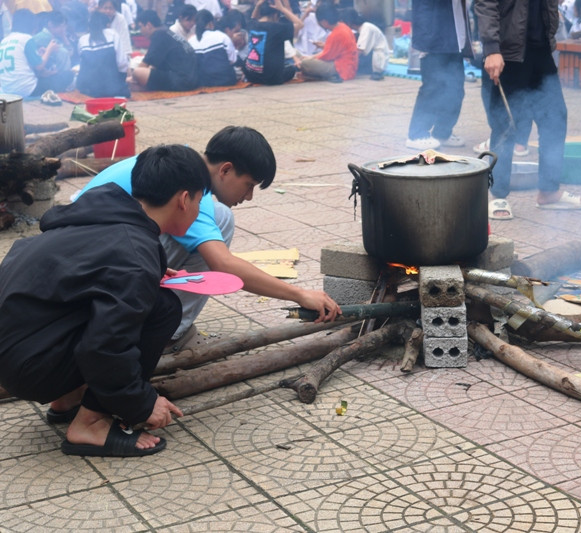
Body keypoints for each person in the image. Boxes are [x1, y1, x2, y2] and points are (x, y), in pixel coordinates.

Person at [0, 144, 211, 457]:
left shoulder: (101, 216)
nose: (198, 210)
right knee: (163, 308)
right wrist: (141, 403)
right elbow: (106, 347)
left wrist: (146, 272)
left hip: (16, 352)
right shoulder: (133, 253)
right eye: (199, 201)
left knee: (139, 301)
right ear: (184, 199)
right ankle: (91, 423)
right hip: (31, 368)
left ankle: (67, 400)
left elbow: (86, 280)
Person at [80, 126, 341, 353]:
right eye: (249, 185)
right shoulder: (190, 189)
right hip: (93, 273)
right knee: (216, 229)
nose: (249, 196)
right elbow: (223, 265)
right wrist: (299, 294)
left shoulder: (180, 161)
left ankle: (160, 323)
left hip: (84, 251)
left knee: (221, 216)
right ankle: (167, 336)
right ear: (225, 169)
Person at [475, 0, 581, 219]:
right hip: (508, 52)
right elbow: (485, 4)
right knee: (505, 124)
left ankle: (549, 191)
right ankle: (498, 194)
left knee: (555, 118)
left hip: (541, 50)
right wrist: (491, 48)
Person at [404, 0, 470, 150]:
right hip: (433, 31)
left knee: (456, 89)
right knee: (433, 88)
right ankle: (417, 134)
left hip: (454, 34)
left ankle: (443, 132)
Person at [130, 9, 199, 91]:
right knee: (137, 77)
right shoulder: (165, 32)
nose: (140, 31)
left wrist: (131, 78)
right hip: (191, 79)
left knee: (137, 73)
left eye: (141, 27)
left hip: (182, 80)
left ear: (148, 25)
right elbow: (153, 63)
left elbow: (143, 65)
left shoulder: (159, 35)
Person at [243, 0, 300, 85]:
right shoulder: (277, 28)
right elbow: (299, 24)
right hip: (271, 78)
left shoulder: (252, 24)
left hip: (251, 75)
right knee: (291, 69)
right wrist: (282, 9)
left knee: (246, 60)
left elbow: (253, 18)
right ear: (275, 15)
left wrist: (258, 6)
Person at [76, 9, 130, 96]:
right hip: (111, 87)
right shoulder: (112, 35)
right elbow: (122, 63)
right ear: (107, 24)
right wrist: (121, 80)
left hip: (88, 88)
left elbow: (82, 63)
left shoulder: (82, 39)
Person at [298, 2, 357, 82]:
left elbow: (326, 56)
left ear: (324, 22)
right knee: (302, 57)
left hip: (341, 68)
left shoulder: (336, 34)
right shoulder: (343, 27)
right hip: (348, 66)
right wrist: (312, 56)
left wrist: (310, 57)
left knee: (305, 63)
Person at [188, 8, 235, 85]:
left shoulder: (191, 41)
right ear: (211, 23)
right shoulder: (221, 36)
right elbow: (232, 60)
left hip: (203, 82)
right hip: (226, 79)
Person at [341, 8, 387, 81]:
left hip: (377, 61)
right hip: (372, 57)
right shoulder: (361, 29)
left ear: (348, 22)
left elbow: (359, 51)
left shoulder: (366, 28)